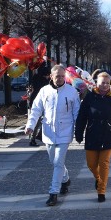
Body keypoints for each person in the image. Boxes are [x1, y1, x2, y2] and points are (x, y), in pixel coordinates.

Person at [25, 65, 80, 207]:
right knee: (54, 162)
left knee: (58, 162)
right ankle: (65, 179)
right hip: (48, 132)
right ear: (51, 76)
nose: (60, 79)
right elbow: (36, 109)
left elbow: (76, 113)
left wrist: (79, 131)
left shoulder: (72, 92)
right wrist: (30, 125)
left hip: (65, 131)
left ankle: (53, 193)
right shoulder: (44, 91)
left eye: (62, 76)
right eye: (57, 76)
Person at [75, 72, 111, 203]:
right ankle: (99, 179)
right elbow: (82, 117)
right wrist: (78, 133)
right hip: (92, 133)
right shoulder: (89, 97)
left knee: (104, 163)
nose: (105, 85)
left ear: (110, 83)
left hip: (109, 134)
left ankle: (101, 191)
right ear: (96, 83)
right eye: (102, 83)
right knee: (91, 164)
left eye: (107, 83)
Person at [27, 63, 50, 146]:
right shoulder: (45, 82)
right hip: (42, 102)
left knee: (35, 120)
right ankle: (34, 138)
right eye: (48, 75)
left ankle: (35, 137)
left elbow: (32, 87)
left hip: (33, 100)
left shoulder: (35, 77)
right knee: (43, 120)